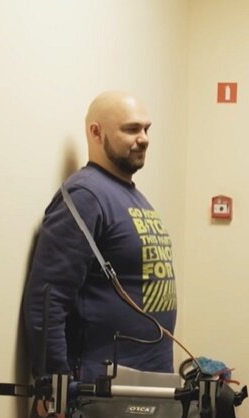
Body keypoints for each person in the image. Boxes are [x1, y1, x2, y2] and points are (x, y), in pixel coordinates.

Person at [23, 91, 177, 384]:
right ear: (96, 132)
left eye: (146, 129)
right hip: (100, 389)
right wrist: (52, 385)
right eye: (131, 129)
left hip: (148, 382)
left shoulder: (131, 195)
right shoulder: (86, 195)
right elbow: (48, 298)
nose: (144, 138)